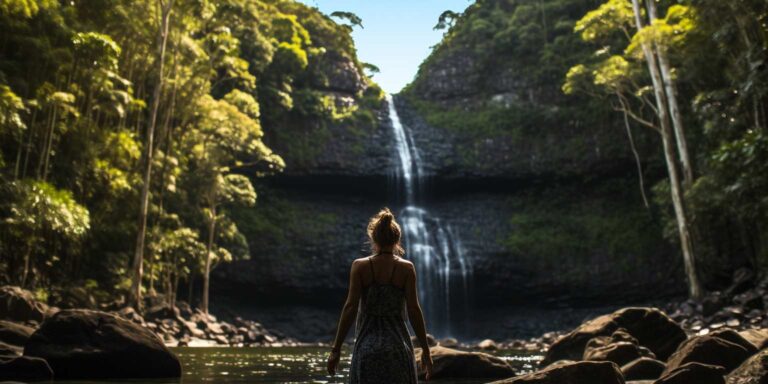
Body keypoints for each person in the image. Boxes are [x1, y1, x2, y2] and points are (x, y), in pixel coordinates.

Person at [327, 208, 434, 383]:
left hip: (366, 349)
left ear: (373, 238)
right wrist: (426, 352)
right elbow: (414, 309)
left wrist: (336, 349)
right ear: (397, 239)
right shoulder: (406, 268)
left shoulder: (360, 266)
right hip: (398, 349)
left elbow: (350, 307)